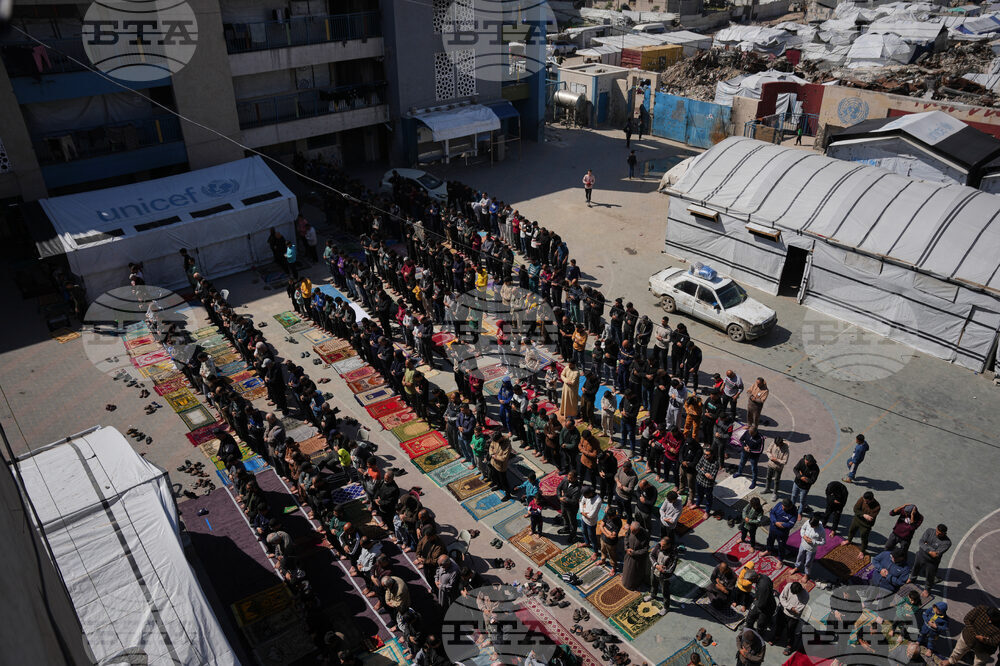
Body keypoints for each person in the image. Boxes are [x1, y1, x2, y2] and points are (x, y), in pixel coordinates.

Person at [909, 524, 951, 593]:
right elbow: (921, 542)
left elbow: (936, 554)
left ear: (944, 533)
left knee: (930, 576)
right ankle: (912, 579)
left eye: (940, 534)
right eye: (936, 531)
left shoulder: (947, 543)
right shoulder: (929, 531)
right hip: (920, 556)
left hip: (932, 562)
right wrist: (930, 550)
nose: (937, 534)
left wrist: (926, 545)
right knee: (915, 568)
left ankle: (927, 589)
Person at [775, 581, 808, 656]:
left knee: (790, 631)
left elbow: (798, 610)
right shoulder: (788, 586)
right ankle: (777, 636)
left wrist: (786, 605)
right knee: (779, 624)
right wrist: (790, 607)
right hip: (783, 611)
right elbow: (782, 597)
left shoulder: (805, 595)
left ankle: (789, 645)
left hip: (793, 616)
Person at [646, 535, 676, 614]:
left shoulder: (673, 554)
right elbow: (651, 555)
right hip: (654, 570)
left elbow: (671, 569)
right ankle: (653, 595)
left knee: (665, 592)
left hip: (664, 577)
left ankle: (666, 607)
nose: (661, 548)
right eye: (661, 545)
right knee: (653, 584)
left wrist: (662, 570)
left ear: (669, 545)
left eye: (664, 546)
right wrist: (656, 565)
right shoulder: (659, 545)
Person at [794, 513, 826, 580]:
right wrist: (803, 536)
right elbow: (802, 529)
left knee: (808, 562)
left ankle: (806, 574)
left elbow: (823, 542)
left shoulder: (822, 530)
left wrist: (813, 542)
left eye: (812, 526)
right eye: (810, 525)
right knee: (799, 557)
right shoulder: (808, 522)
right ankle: (797, 567)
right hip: (803, 545)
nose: (810, 526)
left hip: (811, 549)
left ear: (817, 525)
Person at [621, 522, 649, 591]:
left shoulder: (645, 535)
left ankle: (633, 585)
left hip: (638, 559)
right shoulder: (630, 530)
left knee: (634, 574)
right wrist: (626, 548)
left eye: (634, 532)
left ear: (638, 530)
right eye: (631, 531)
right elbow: (626, 537)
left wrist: (634, 553)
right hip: (629, 555)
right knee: (627, 570)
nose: (632, 532)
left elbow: (645, 550)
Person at [556, 471, 582, 542]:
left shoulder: (578, 488)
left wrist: (564, 498)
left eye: (570, 478)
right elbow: (558, 488)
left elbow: (574, 501)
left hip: (571, 508)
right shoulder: (565, 479)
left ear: (575, 478)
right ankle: (566, 528)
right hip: (563, 504)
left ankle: (573, 535)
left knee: (573, 521)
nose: (568, 479)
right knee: (564, 515)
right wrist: (559, 497)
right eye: (568, 477)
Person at [694, 448, 720, 515]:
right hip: (699, 480)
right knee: (699, 495)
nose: (705, 456)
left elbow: (712, 477)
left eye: (707, 455)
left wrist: (702, 470)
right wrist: (705, 473)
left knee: (708, 499)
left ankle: (707, 512)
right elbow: (697, 467)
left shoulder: (716, 463)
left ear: (712, 455)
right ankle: (697, 504)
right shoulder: (703, 457)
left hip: (708, 485)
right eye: (705, 454)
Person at [600, 506, 623, 572]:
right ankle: (603, 561)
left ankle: (614, 567)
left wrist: (604, 528)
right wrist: (608, 533)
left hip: (611, 543)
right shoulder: (607, 514)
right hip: (603, 538)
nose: (608, 518)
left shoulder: (618, 522)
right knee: (602, 551)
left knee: (612, 556)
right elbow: (601, 526)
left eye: (610, 517)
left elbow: (612, 536)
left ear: (614, 516)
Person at [580, 486, 602, 552]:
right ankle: (587, 543)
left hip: (591, 523)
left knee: (592, 538)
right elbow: (581, 502)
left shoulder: (598, 500)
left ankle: (595, 551)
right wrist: (582, 511)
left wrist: (583, 510)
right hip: (584, 519)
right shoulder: (586, 495)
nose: (585, 497)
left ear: (591, 493)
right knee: (584, 532)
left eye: (585, 496)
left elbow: (591, 515)